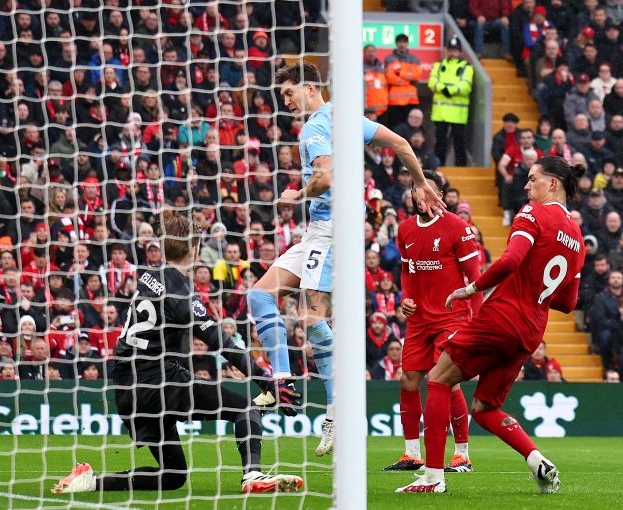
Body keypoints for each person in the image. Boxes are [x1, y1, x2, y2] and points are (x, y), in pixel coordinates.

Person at [246, 61, 445, 457]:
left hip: (331, 228)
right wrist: (420, 182)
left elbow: (325, 177)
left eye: (289, 92)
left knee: (313, 317)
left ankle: (340, 407)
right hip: (324, 229)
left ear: (310, 87)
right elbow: (403, 145)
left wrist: (295, 196)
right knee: (260, 295)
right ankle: (283, 380)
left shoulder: (316, 126)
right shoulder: (348, 118)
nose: (285, 101)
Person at [52, 211, 303, 495]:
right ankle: (253, 475)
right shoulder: (180, 295)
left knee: (172, 476)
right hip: (159, 380)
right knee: (243, 409)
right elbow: (222, 342)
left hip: (128, 388)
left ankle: (88, 481)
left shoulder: (148, 276)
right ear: (195, 250)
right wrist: (267, 380)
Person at [398, 156, 586, 494]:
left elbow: (511, 259)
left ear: (552, 184)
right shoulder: (577, 236)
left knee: (438, 378)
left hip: (503, 316)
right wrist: (537, 292)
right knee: (485, 408)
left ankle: (433, 478)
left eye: (532, 179)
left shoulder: (532, 214)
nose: (526, 186)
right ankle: (537, 461)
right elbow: (568, 302)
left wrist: (470, 289)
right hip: (531, 330)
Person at [383, 170, 482, 473]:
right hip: (420, 320)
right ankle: (412, 453)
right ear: (411, 194)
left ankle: (462, 454)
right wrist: (405, 298)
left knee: (444, 381)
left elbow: (476, 278)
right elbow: (407, 271)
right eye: (416, 188)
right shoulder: (405, 229)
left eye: (428, 189)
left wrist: (477, 319)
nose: (421, 194)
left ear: (439, 195)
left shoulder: (457, 227)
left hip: (451, 317)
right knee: (408, 380)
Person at [428, 37, 473, 166]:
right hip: (440, 113)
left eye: (455, 50)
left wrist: (449, 90)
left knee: (459, 142)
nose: (453, 53)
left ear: (460, 52)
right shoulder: (439, 65)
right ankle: (439, 167)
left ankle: (461, 168)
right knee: (440, 142)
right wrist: (445, 88)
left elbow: (466, 86)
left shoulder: (466, 67)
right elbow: (432, 82)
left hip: (458, 114)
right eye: (450, 50)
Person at [385, 34, 422, 127]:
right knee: (395, 128)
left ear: (407, 43)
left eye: (404, 42)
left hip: (411, 101)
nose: (402, 44)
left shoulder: (414, 59)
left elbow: (417, 76)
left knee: (411, 129)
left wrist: (400, 73)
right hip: (395, 101)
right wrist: (408, 80)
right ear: (396, 43)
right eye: (400, 42)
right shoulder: (389, 59)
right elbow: (389, 77)